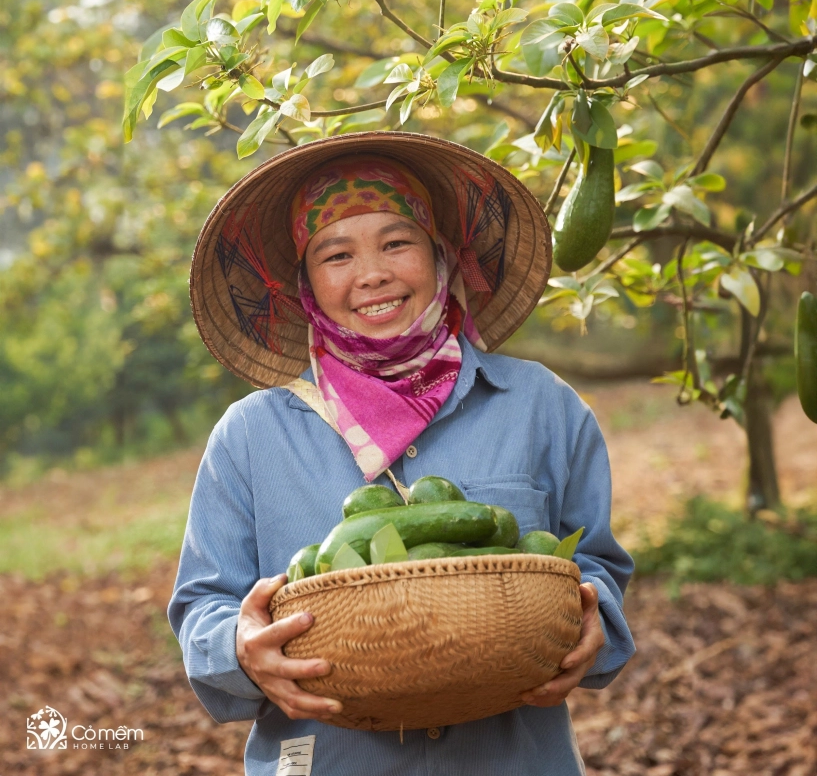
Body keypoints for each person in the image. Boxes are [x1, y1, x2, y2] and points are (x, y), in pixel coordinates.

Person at [168, 132, 636, 775]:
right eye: (336, 255)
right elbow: (203, 606)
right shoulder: (250, 439)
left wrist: (593, 620)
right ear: (304, 283)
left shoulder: (540, 407)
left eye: (397, 242)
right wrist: (239, 646)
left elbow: (597, 567)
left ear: (441, 256)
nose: (372, 275)